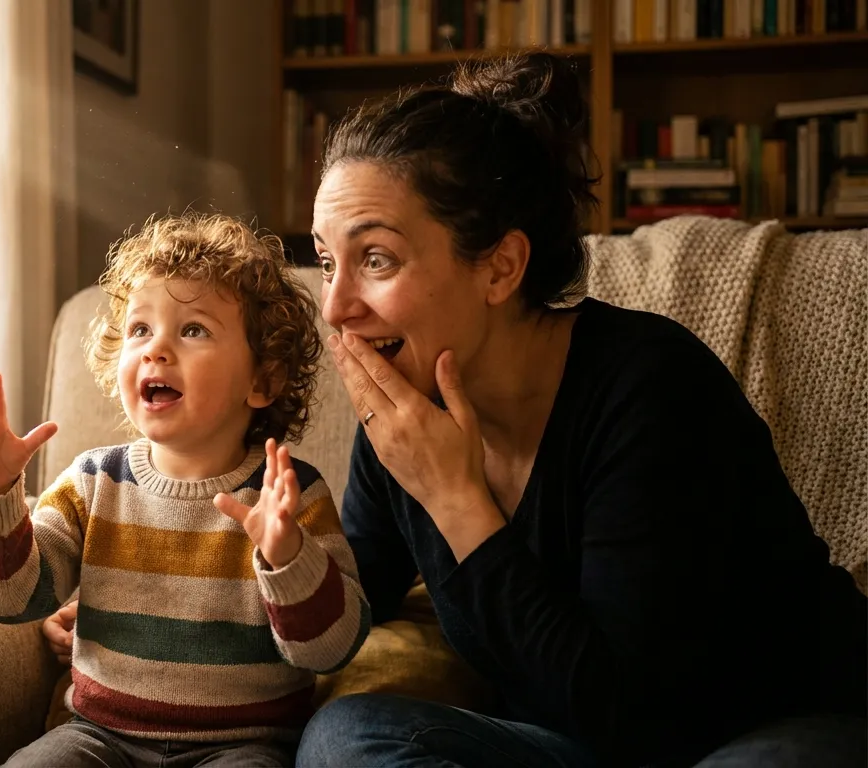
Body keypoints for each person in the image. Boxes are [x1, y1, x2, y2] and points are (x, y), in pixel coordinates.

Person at [46, 52, 867, 767]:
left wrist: (457, 499)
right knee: (346, 739)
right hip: (562, 743)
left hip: (758, 727)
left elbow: (631, 714)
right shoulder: (401, 417)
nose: (335, 307)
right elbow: (334, 596)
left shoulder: (651, 390)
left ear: (502, 267)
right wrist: (152, 596)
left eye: (376, 259)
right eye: (328, 261)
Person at [0, 212, 371, 767]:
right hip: (98, 738)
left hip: (243, 748)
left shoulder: (290, 495)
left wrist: (287, 558)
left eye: (193, 330)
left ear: (263, 381)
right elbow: (15, 600)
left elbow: (333, 650)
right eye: (140, 329)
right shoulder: (93, 483)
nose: (155, 350)